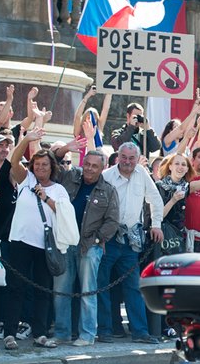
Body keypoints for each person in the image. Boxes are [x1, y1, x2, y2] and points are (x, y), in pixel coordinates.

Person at [1, 129, 70, 350]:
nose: (40, 168)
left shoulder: (59, 189)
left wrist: (46, 197)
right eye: (37, 164)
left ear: (52, 167)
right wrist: (26, 140)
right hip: (20, 241)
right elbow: (13, 161)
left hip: (45, 245)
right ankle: (10, 333)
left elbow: (63, 214)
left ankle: (40, 333)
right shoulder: (26, 179)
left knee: (42, 289)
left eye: (45, 165)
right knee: (16, 288)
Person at [98, 141, 164, 343]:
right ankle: (104, 331)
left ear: (137, 159)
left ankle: (140, 332)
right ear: (118, 157)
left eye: (131, 158)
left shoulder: (142, 174)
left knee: (133, 287)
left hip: (131, 240)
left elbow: (155, 199)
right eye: (124, 157)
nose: (127, 162)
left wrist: (156, 224)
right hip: (107, 239)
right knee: (102, 286)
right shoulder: (106, 176)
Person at [54, 150, 120, 347]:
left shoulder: (108, 190)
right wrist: (62, 149)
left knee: (88, 291)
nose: (89, 169)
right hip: (65, 243)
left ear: (102, 168)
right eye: (87, 164)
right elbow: (51, 165)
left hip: (89, 246)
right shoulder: (69, 177)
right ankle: (62, 333)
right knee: (61, 290)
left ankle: (87, 334)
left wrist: (98, 239)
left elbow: (112, 221)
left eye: (94, 166)